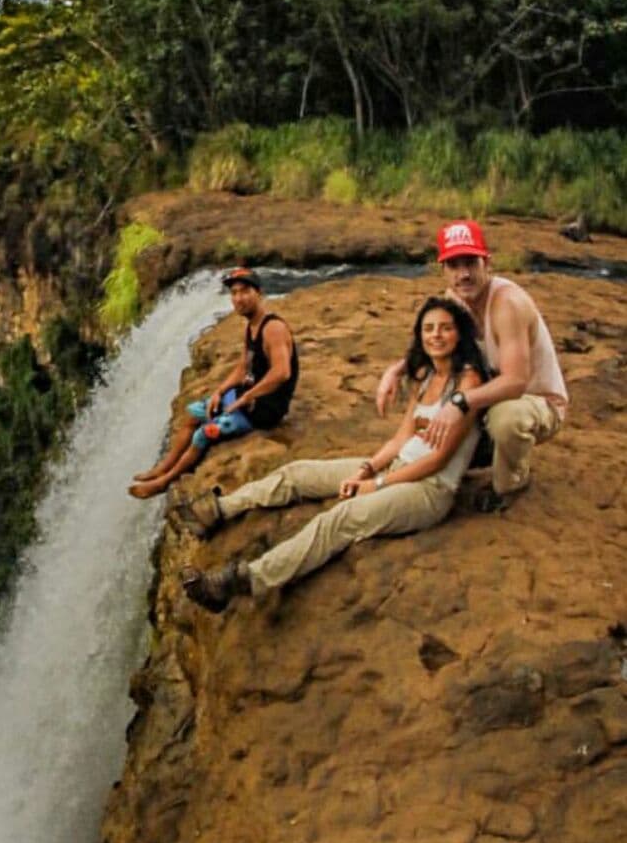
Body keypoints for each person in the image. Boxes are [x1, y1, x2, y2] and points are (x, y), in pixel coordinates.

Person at [183, 296, 486, 612]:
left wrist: (376, 485)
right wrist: (367, 469)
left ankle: (246, 580)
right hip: (398, 467)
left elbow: (438, 459)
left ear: (459, 334)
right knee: (297, 473)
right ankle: (218, 510)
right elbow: (401, 438)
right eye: (429, 328)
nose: (436, 335)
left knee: (341, 518)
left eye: (445, 328)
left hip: (429, 490)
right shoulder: (425, 377)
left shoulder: (468, 381)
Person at [376, 220, 568, 508]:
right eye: (454, 265)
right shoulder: (455, 300)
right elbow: (435, 346)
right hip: (492, 395)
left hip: (537, 401)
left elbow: (516, 381)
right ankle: (469, 454)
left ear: (486, 263)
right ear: (443, 270)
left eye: (470, 263)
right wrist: (395, 370)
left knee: (506, 418)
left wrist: (460, 402)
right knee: (440, 381)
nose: (463, 274)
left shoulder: (507, 303)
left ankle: (511, 483)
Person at [130, 266, 298, 499]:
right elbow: (243, 366)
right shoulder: (251, 325)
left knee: (203, 434)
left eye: (245, 291)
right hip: (243, 398)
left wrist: (247, 397)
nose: (238, 298)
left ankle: (163, 482)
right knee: (193, 414)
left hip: (262, 410)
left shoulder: (273, 328)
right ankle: (163, 467)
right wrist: (220, 391)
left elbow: (282, 372)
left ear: (259, 293)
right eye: (234, 293)